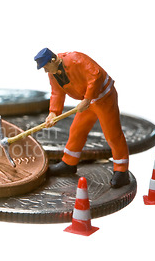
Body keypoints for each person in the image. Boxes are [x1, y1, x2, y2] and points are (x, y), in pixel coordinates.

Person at [34, 48, 129, 188]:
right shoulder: (53, 74)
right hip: (87, 101)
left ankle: (122, 171)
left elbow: (95, 75)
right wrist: (53, 112)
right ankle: (69, 163)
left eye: (45, 67)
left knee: (112, 135)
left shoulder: (75, 58)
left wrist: (87, 99)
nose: (45, 71)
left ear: (53, 60)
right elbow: (57, 93)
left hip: (103, 97)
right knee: (76, 130)